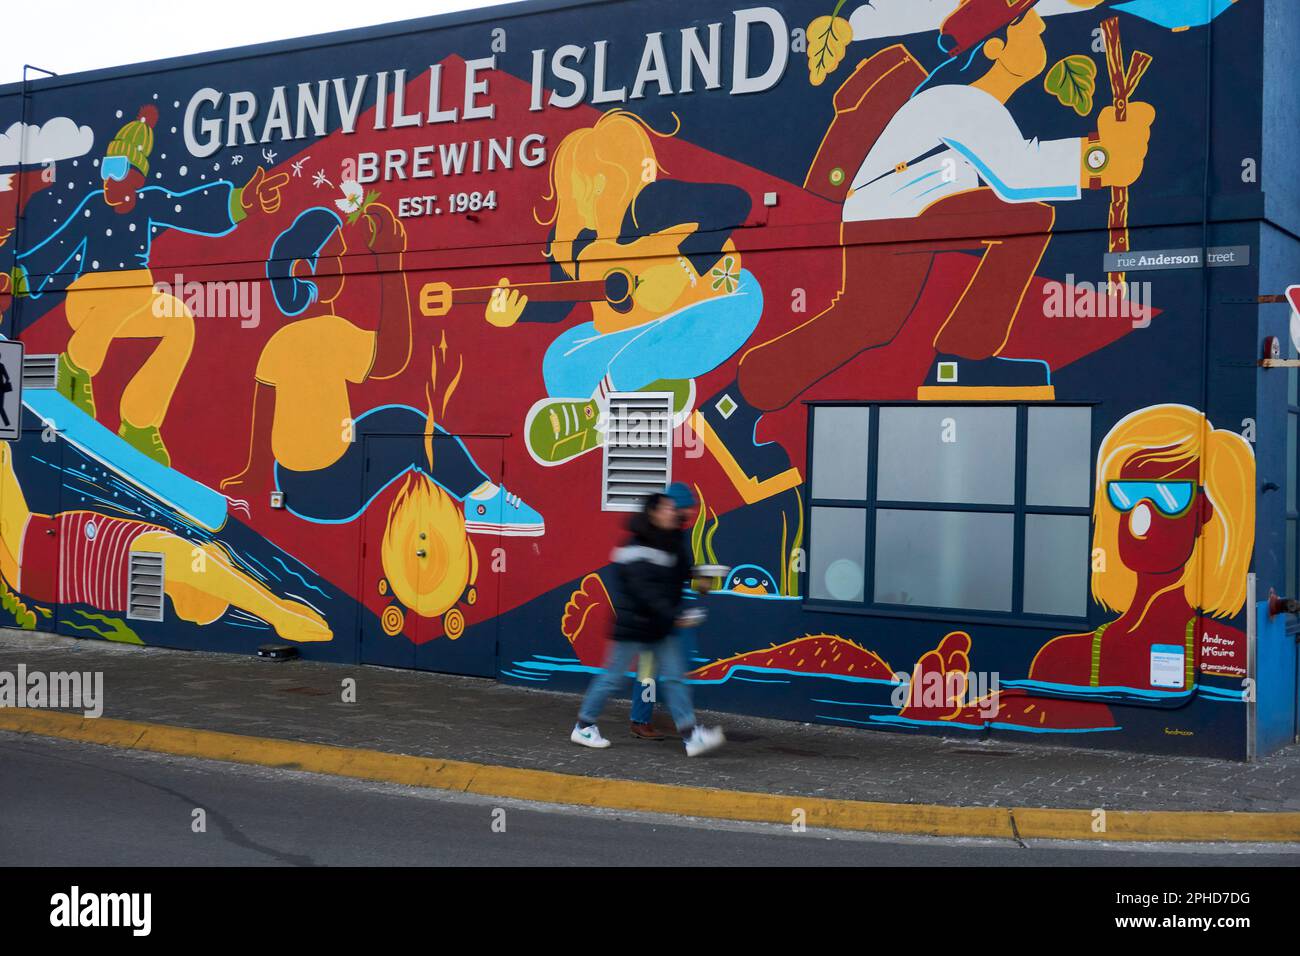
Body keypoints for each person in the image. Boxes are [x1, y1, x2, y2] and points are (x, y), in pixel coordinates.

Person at [571, 493, 725, 757]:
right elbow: (645, 592)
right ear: (652, 513)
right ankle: (584, 726)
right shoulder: (634, 549)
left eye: (672, 508)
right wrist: (674, 617)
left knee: (675, 678)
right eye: (666, 508)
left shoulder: (668, 540)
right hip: (636, 625)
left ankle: (690, 736)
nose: (671, 511)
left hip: (658, 625)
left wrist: (702, 573)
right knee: (612, 677)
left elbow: (678, 573)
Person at [629, 481, 699, 740]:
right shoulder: (663, 535)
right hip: (655, 616)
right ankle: (640, 719)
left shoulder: (675, 532)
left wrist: (694, 576)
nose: (692, 512)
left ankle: (644, 719)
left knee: (660, 670)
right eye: (688, 507)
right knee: (650, 670)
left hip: (665, 613)